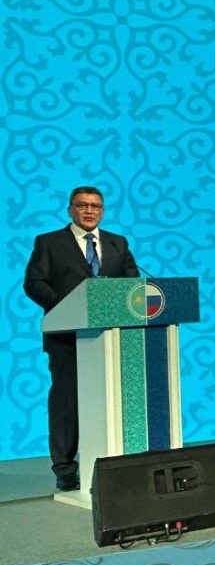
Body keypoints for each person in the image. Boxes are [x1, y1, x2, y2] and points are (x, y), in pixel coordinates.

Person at [23, 186, 140, 491]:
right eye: (82, 205)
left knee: (113, 399)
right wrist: (65, 307)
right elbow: (34, 282)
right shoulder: (49, 242)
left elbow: (132, 285)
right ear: (70, 209)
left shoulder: (117, 243)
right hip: (66, 337)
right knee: (67, 402)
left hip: (111, 337)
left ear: (102, 211)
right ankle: (65, 469)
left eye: (95, 206)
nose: (89, 211)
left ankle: (114, 466)